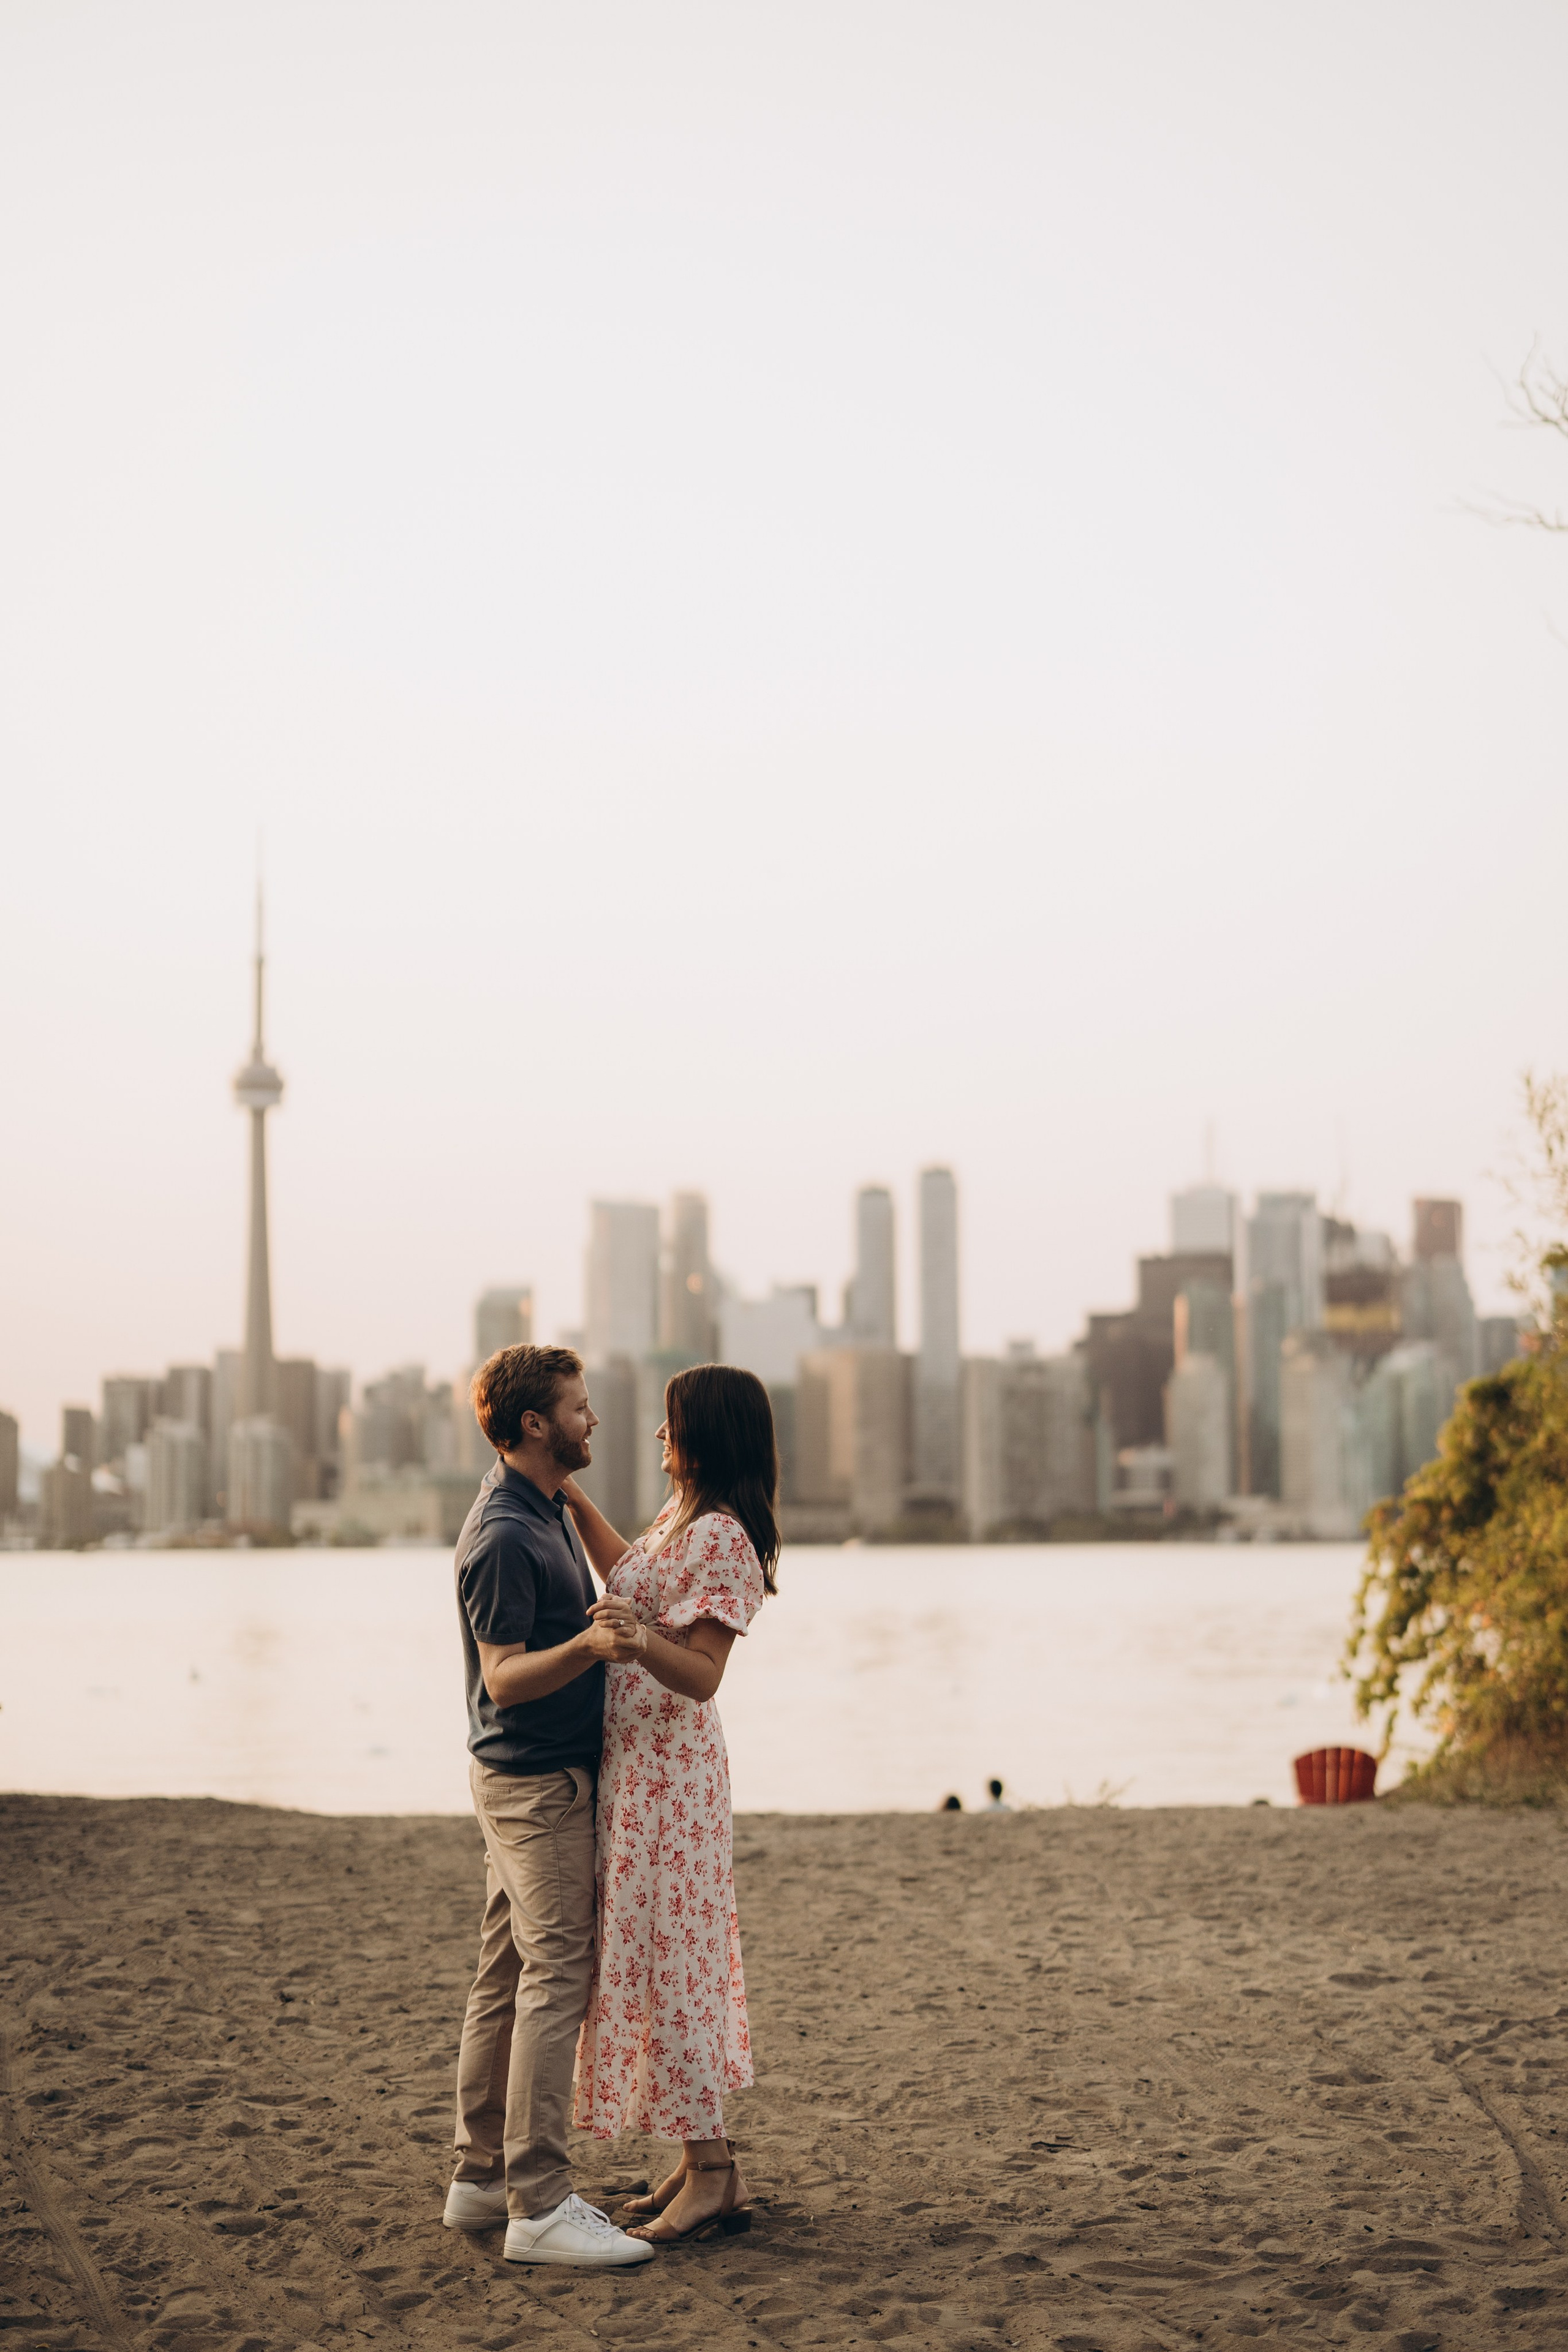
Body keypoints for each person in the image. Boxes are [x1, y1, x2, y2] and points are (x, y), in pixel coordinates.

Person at [443, 1344, 653, 2271]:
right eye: (579, 1406)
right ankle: (539, 2204)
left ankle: (481, 2178)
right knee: (556, 1975)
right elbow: (504, 1677)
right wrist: (591, 1650)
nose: (593, 1418)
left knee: (504, 1973)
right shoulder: (504, 1534)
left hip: (527, 1779)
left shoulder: (544, 1507)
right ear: (536, 1425)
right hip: (535, 1787)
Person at [562, 1363, 778, 2247]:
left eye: (670, 1424)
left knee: (675, 1967)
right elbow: (634, 1576)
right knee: (662, 1962)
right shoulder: (679, 1517)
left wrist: (633, 1639)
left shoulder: (726, 1535)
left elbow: (700, 1672)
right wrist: (570, 1499)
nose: (656, 1437)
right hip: (640, 1772)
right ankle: (698, 2161)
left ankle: (715, 2174)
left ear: (706, 1434)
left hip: (673, 1783)